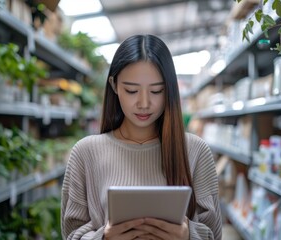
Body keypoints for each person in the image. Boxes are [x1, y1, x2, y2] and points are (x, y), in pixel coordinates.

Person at [61, 34, 222, 240]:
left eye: (156, 91)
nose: (144, 103)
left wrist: (188, 235)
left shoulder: (195, 151)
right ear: (114, 85)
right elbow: (70, 234)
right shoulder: (85, 153)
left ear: (170, 90)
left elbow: (215, 235)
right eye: (131, 90)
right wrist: (103, 237)